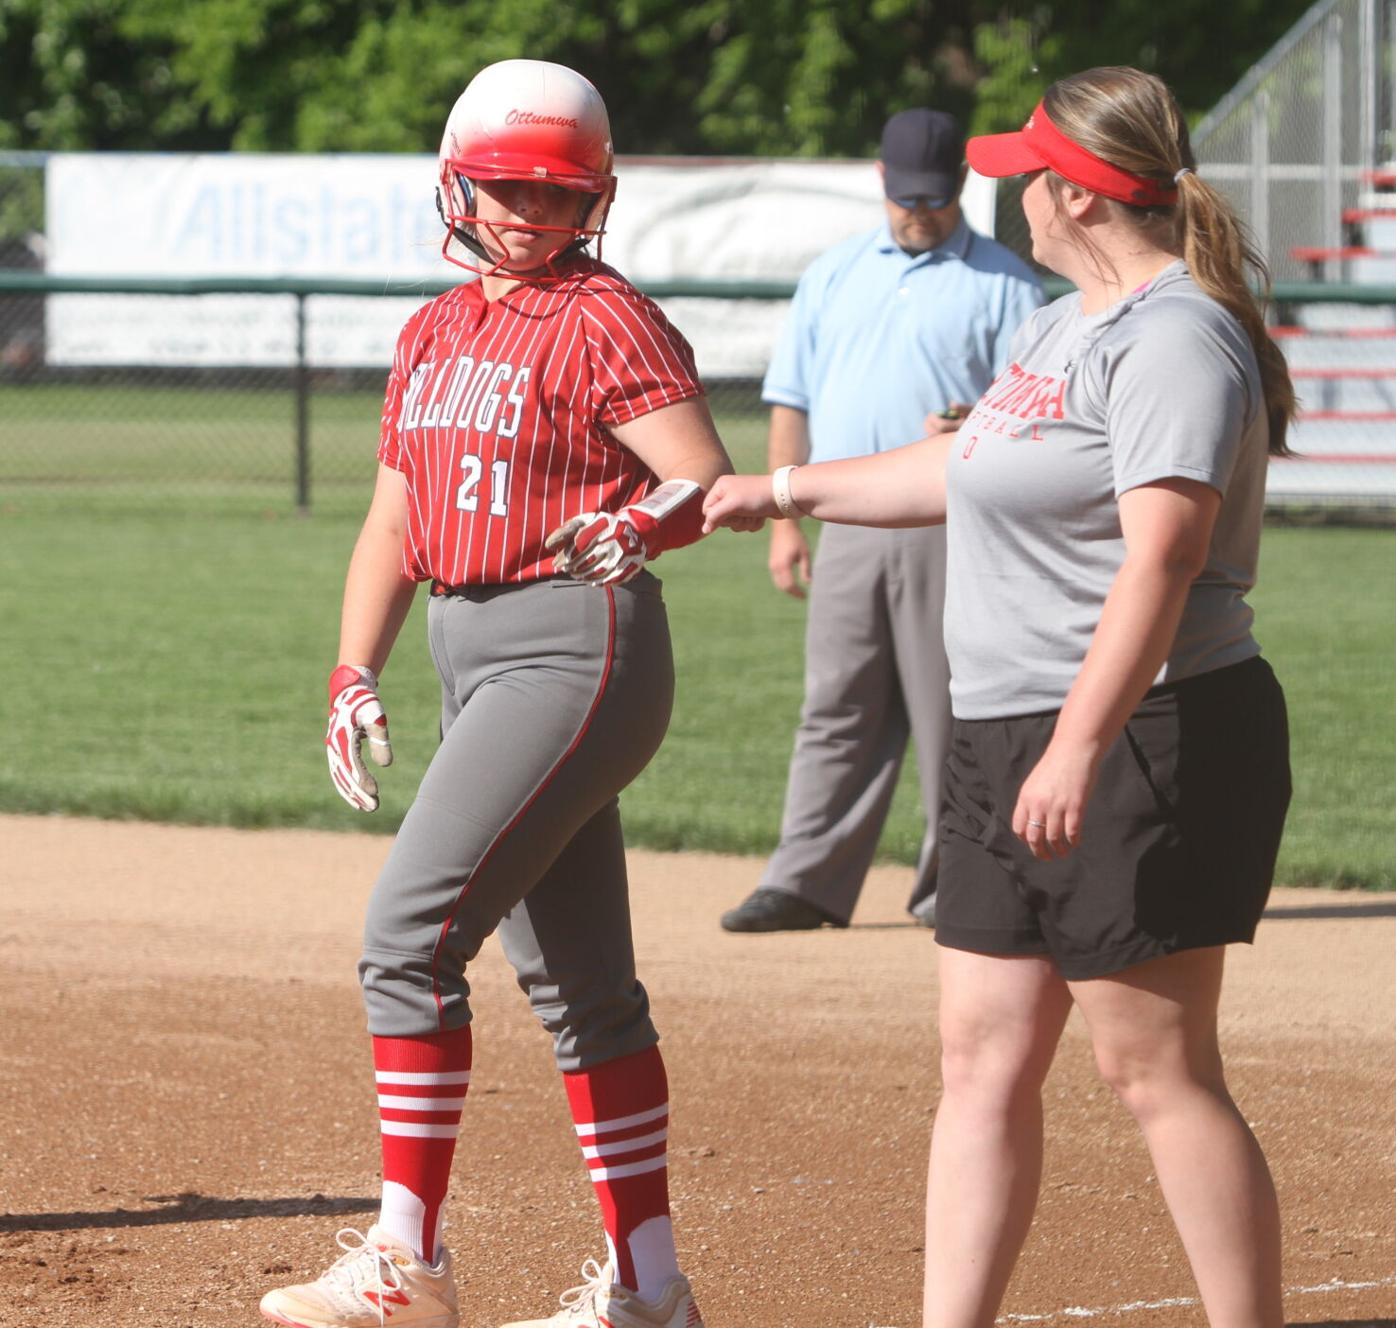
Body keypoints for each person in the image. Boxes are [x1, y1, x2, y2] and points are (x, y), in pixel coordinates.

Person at [703, 66, 1293, 1328]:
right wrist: (786, 489)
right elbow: (956, 466)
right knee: (978, 1058)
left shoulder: (1175, 336)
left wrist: (1078, 745)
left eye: (1029, 170)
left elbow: (1164, 554)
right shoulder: (1060, 321)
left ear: (1075, 195)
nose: (1011, 190)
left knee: (1153, 1066)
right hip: (1000, 725)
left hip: (1144, 728)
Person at [260, 59, 745, 1328]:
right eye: (506, 187)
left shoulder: (603, 314)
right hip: (472, 652)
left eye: (556, 191)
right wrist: (352, 664)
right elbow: (393, 519)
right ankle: (652, 1290)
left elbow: (701, 477)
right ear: (455, 183)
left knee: (407, 942)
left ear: (594, 198)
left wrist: (644, 524)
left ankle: (404, 1264)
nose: (530, 212)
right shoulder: (431, 329)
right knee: (581, 989)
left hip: (569, 644)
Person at [719, 108, 1043, 936]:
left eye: (933, 198)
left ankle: (955, 886)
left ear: (962, 188)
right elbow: (790, 398)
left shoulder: (1006, 281)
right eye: (905, 197)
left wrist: (977, 419)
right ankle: (806, 882)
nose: (918, 212)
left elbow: (1035, 411)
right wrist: (788, 521)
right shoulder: (832, 272)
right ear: (881, 180)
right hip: (845, 518)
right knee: (835, 705)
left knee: (948, 709)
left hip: (951, 520)